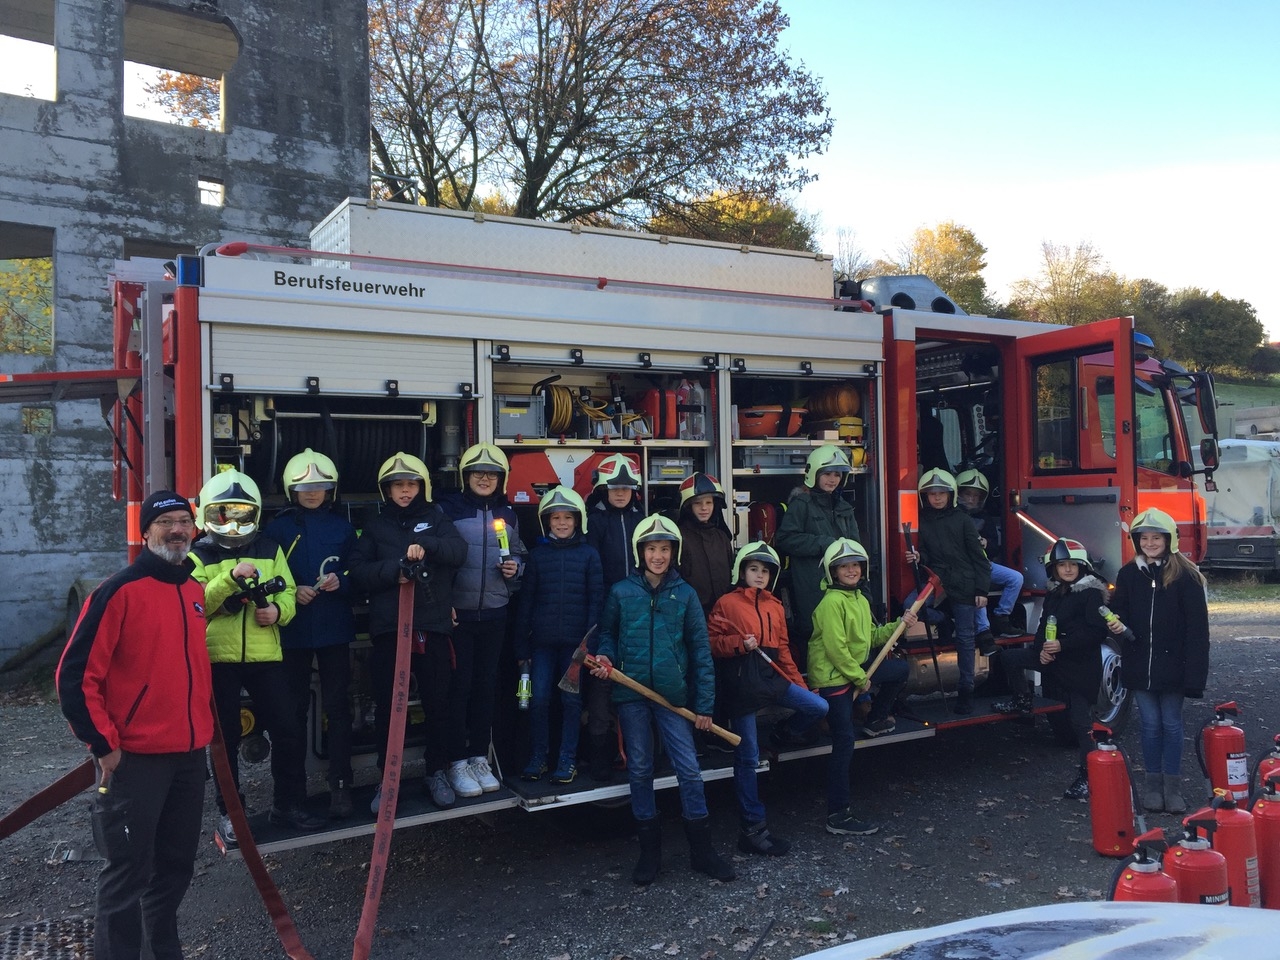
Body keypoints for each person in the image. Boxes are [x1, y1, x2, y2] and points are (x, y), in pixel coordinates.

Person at [57, 490, 212, 960]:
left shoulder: (194, 590)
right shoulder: (118, 591)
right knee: (127, 874)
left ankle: (162, 952)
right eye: (166, 523)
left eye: (184, 521)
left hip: (188, 757)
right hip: (135, 759)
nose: (177, 530)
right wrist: (103, 744)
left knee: (175, 868)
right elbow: (75, 676)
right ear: (145, 532)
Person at [590, 515, 735, 885]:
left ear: (674, 552)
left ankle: (702, 852)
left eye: (665, 549)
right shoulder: (622, 592)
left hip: (673, 698)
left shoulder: (685, 595)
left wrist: (704, 706)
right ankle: (649, 854)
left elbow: (701, 652)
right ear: (640, 552)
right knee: (640, 769)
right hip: (631, 695)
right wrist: (605, 656)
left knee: (688, 769)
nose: (658, 555)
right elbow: (607, 634)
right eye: (652, 548)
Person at [189, 469, 324, 842]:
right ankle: (231, 814)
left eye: (242, 515)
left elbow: (288, 591)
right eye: (223, 515)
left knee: (288, 728)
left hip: (267, 655)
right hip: (218, 658)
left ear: (256, 514)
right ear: (207, 514)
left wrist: (278, 612)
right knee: (225, 739)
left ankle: (288, 805)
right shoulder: (198, 555)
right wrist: (231, 578)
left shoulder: (269, 548)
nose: (233, 525)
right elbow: (197, 604)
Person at [348, 452, 467, 811]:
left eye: (411, 484)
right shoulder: (375, 526)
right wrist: (393, 572)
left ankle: (437, 771)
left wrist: (428, 544)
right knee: (389, 708)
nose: (404, 491)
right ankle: (388, 779)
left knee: (437, 704)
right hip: (390, 630)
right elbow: (357, 571)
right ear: (386, 490)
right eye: (397, 485)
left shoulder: (437, 519)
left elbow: (458, 552)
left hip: (432, 627)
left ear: (422, 487)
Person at [708, 542, 828, 856]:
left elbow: (784, 651)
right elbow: (711, 642)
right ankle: (752, 829)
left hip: (772, 679)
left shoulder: (775, 606)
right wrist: (739, 644)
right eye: (753, 569)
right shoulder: (727, 603)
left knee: (818, 707)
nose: (759, 575)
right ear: (742, 571)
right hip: (742, 686)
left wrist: (801, 686)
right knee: (748, 758)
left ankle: (782, 733)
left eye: (765, 571)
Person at [263, 449, 358, 819]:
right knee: (291, 714)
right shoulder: (276, 531)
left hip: (335, 629)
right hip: (292, 631)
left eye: (320, 486)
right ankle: (291, 795)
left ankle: (341, 788)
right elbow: (265, 577)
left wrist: (342, 582)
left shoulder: (343, 528)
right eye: (305, 487)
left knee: (339, 710)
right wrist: (291, 591)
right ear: (292, 490)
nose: (313, 492)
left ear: (330, 489)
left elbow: (358, 572)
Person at [809, 539, 917, 836]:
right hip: (833, 678)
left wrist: (900, 624)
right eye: (844, 566)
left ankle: (875, 719)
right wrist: (859, 678)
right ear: (833, 571)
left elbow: (873, 637)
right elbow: (836, 649)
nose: (851, 570)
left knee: (899, 670)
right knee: (844, 742)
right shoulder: (830, 603)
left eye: (855, 565)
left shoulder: (860, 599)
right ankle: (837, 815)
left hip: (854, 672)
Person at [1108, 507, 1209, 814]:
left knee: (1172, 724)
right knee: (1150, 725)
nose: (1149, 543)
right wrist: (1117, 622)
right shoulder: (1128, 574)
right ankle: (1153, 787)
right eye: (1144, 538)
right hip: (1140, 665)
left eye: (1156, 538)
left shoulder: (1187, 576)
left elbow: (1197, 631)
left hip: (1174, 667)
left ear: (1169, 540)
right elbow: (1120, 609)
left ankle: (1172, 787)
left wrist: (1195, 676)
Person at [439, 443, 526, 794]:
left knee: (486, 688)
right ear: (466, 476)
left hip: (494, 614)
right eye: (478, 473)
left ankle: (479, 758)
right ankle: (456, 762)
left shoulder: (510, 514)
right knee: (458, 689)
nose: (485, 478)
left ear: (501, 479)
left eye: (492, 474)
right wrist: (443, 603)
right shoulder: (448, 510)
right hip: (458, 616)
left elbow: (519, 554)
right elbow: (438, 560)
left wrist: (516, 567)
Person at [993, 538, 1109, 800]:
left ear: (1083, 567)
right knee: (1009, 659)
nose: (1067, 569)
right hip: (1054, 659)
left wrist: (1062, 645)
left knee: (1081, 722)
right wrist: (1041, 651)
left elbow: (1097, 632)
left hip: (1079, 667)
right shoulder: (1054, 593)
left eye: (1073, 565)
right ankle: (1022, 701)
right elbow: (1044, 625)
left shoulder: (1091, 594)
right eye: (1061, 565)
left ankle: (1088, 776)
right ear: (1053, 569)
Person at [514, 486, 604, 783]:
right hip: (541, 645)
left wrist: (589, 644)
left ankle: (567, 759)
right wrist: (521, 647)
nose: (562, 523)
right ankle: (539, 757)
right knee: (538, 700)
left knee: (571, 703)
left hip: (576, 648)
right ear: (547, 522)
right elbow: (526, 603)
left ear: (578, 521)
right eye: (556, 518)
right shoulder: (537, 556)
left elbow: (596, 602)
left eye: (567, 517)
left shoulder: (589, 555)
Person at [583, 452, 646, 780]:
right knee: (602, 685)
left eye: (626, 487)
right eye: (614, 487)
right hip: (605, 614)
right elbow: (591, 573)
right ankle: (600, 754)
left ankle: (641, 751)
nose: (621, 493)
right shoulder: (593, 522)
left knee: (638, 683)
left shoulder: (643, 521)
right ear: (603, 489)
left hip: (638, 614)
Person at [907, 468, 990, 714]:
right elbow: (927, 553)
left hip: (964, 584)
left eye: (941, 493)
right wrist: (919, 557)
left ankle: (966, 691)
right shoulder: (923, 520)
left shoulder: (963, 520)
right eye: (932, 493)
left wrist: (981, 590)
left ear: (950, 494)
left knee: (965, 638)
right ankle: (942, 620)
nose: (937, 497)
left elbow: (980, 559)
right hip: (937, 582)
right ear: (925, 496)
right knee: (910, 606)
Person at [775, 445, 861, 672]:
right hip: (812, 587)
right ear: (814, 473)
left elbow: (856, 548)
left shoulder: (844, 508)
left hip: (844, 588)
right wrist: (823, 543)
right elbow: (785, 539)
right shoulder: (801, 504)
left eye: (837, 474)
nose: (833, 479)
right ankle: (817, 688)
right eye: (827, 473)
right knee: (816, 638)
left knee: (844, 637)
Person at [956, 469, 1024, 651]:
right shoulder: (953, 517)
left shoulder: (984, 518)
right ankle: (983, 631)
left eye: (976, 496)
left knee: (1016, 578)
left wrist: (986, 543)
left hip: (985, 565)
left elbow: (995, 547)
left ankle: (1002, 617)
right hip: (965, 568)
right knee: (977, 586)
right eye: (967, 494)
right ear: (958, 493)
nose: (971, 499)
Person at [675, 472, 734, 616]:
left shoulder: (722, 538)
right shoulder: (679, 538)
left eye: (709, 502)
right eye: (697, 503)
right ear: (688, 506)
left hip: (722, 614)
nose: (704, 508)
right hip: (691, 614)